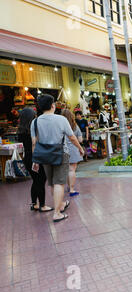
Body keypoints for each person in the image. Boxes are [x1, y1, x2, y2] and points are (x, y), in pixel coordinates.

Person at [31, 94, 84, 222]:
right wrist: (80, 148)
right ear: (53, 105)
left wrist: (35, 160)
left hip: (44, 156)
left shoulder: (35, 122)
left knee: (52, 183)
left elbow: (34, 143)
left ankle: (60, 204)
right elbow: (72, 137)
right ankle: (57, 213)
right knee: (59, 182)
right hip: (61, 153)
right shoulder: (61, 119)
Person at [18, 108, 53, 213]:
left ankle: (34, 204)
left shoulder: (21, 130)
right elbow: (36, 143)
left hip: (27, 158)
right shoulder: (33, 128)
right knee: (41, 180)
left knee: (36, 180)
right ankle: (42, 205)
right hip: (37, 157)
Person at [61, 109, 83, 197]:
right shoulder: (75, 126)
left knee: (67, 170)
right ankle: (72, 189)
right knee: (72, 170)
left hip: (63, 149)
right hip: (73, 149)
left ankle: (69, 186)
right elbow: (80, 139)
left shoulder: (60, 125)